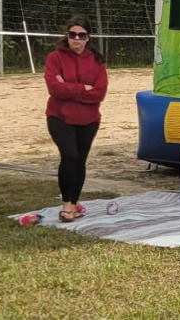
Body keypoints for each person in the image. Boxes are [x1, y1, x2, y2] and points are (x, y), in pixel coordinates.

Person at [44, 16, 109, 223]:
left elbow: (99, 93)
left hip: (89, 119)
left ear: (88, 38)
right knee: (69, 156)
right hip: (59, 117)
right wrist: (82, 88)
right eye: (73, 34)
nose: (77, 39)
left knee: (80, 160)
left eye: (81, 35)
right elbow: (54, 89)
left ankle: (74, 203)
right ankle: (66, 204)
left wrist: (68, 87)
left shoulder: (97, 61)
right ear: (67, 36)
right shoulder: (55, 58)